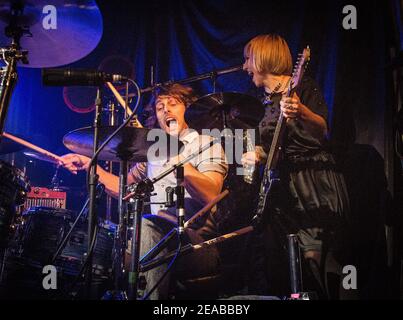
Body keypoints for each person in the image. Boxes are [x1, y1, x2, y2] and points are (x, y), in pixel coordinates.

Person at [60, 83, 228, 299]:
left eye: (173, 104)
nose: (165, 110)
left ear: (188, 108)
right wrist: (90, 165)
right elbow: (124, 189)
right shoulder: (153, 151)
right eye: (159, 107)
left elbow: (210, 195)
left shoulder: (207, 143)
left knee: (146, 224)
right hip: (158, 238)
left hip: (197, 242)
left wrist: (177, 158)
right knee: (110, 251)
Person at [241, 34, 351, 298]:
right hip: (280, 191)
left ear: (263, 57)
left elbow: (323, 129)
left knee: (312, 266)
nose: (244, 67)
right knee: (277, 266)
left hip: (311, 183)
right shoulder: (259, 102)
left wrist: (301, 111)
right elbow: (271, 145)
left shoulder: (303, 88)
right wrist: (256, 154)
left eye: (247, 59)